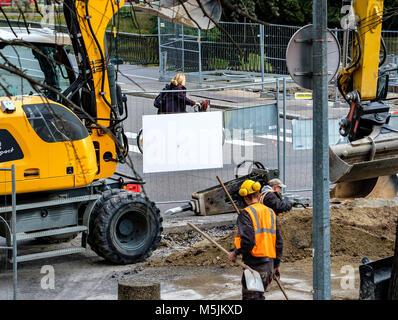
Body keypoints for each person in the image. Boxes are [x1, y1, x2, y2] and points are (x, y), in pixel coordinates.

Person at [228, 179, 283, 300]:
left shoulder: (246, 214)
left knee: (252, 298)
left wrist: (235, 252)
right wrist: (276, 264)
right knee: (258, 297)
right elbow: (278, 242)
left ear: (245, 198)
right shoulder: (270, 212)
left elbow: (248, 241)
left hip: (255, 266)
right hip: (268, 266)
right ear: (258, 195)